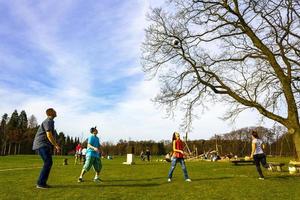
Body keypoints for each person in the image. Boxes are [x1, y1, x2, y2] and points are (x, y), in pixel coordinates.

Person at [32, 108, 60, 189]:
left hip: (43, 145)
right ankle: (40, 183)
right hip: (41, 144)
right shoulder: (48, 121)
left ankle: (42, 183)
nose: (56, 112)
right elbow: (49, 135)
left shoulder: (50, 121)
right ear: (51, 113)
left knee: (48, 162)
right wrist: (56, 145)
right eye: (55, 111)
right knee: (48, 162)